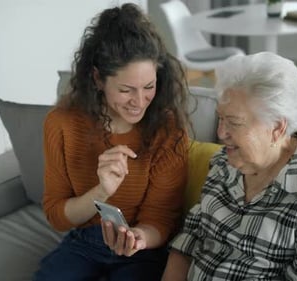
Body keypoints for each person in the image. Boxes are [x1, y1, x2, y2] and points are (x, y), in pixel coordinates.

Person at [161, 52, 297, 281]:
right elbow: (190, 239)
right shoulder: (224, 163)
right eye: (221, 118)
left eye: (234, 123)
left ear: (277, 128)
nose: (220, 133)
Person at [34, 3, 191, 281]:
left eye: (149, 87)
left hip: (143, 249)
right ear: (97, 79)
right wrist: (101, 192)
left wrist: (137, 238)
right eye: (126, 89)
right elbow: (57, 215)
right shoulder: (61, 123)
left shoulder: (168, 131)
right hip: (84, 242)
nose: (140, 101)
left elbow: (161, 219)